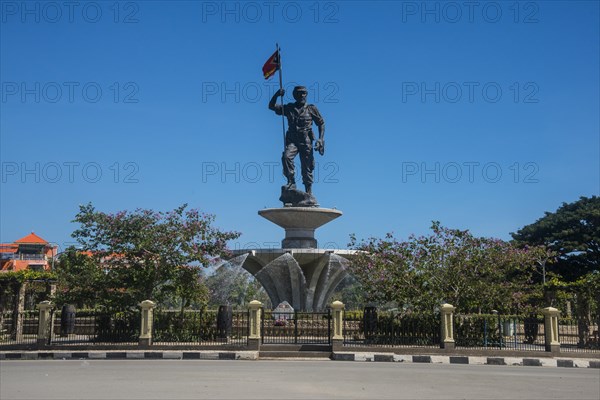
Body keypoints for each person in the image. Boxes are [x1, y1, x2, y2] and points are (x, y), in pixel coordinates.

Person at [268, 86, 325, 195]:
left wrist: (321, 139)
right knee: (286, 157)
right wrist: (277, 95)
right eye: (299, 93)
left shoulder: (311, 108)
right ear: (295, 95)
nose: (302, 95)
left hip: (306, 140)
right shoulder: (289, 108)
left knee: (306, 166)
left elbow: (321, 123)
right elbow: (271, 106)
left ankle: (308, 192)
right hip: (292, 140)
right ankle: (291, 182)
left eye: (304, 93)